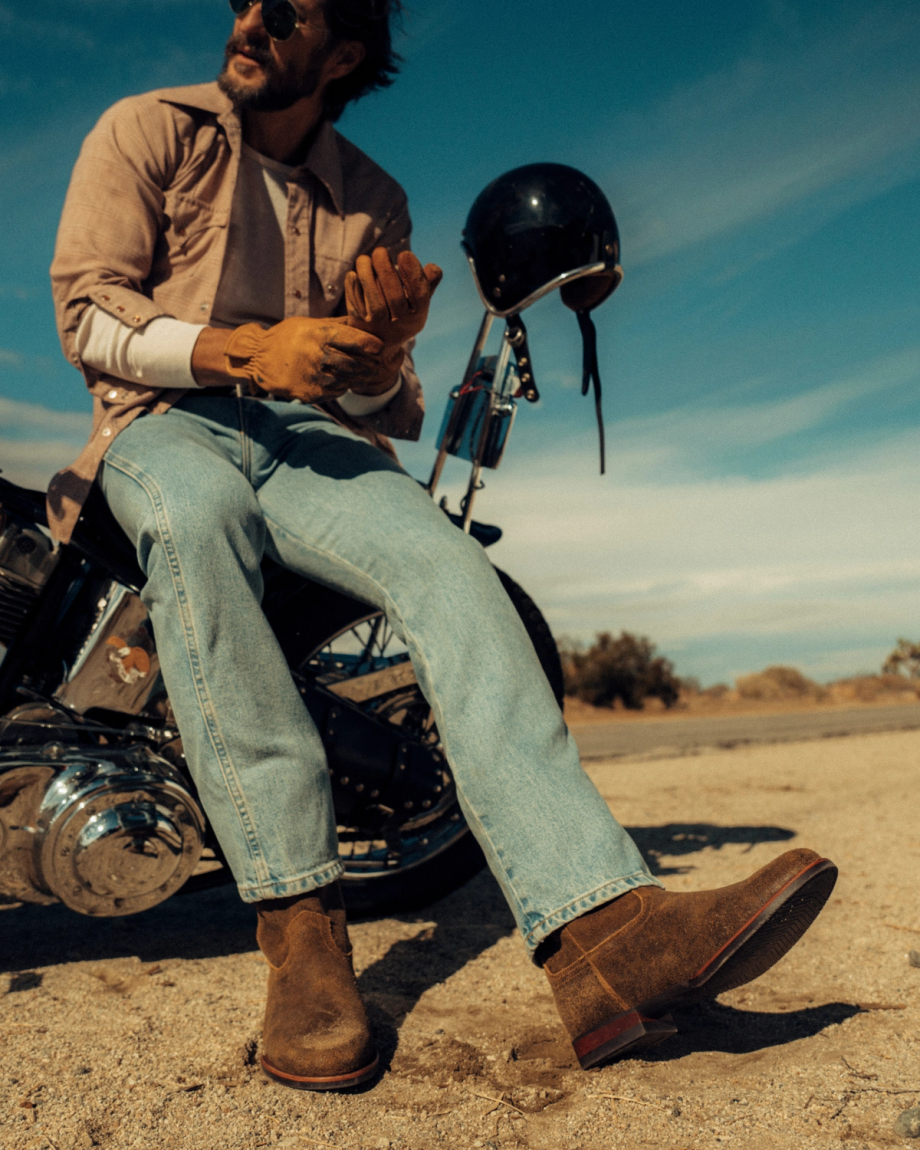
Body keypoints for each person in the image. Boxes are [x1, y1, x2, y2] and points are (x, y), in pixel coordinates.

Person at [48, 0, 837, 1092]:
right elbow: (88, 316)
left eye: (285, 12)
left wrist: (382, 348)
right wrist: (248, 348)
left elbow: (384, 397)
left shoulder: (372, 197)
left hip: (314, 443)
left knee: (445, 562)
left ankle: (602, 934)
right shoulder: (148, 130)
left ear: (343, 52)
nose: (249, 20)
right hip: (162, 426)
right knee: (197, 520)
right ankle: (302, 934)